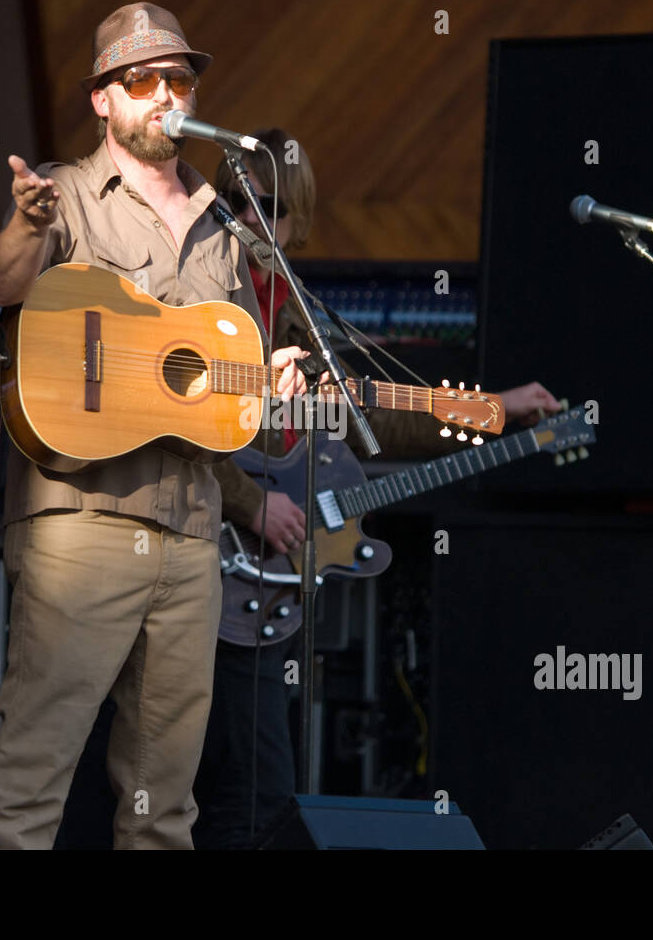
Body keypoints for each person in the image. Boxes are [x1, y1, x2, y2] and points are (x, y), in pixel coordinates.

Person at [0, 3, 316, 850]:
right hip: (83, 524)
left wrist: (271, 387)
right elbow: (6, 287)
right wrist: (27, 227)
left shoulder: (228, 224)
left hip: (190, 537)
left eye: (178, 79)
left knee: (167, 805)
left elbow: (221, 405)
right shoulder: (68, 192)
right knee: (30, 775)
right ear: (103, 101)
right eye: (141, 79)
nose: (163, 93)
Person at [192, 128, 562, 848]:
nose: (249, 217)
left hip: (252, 583)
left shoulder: (297, 311)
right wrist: (251, 502)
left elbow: (378, 411)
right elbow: (171, 423)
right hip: (194, 559)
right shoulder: (201, 292)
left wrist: (496, 410)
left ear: (298, 221)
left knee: (257, 788)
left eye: (270, 206)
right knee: (220, 790)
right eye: (235, 201)